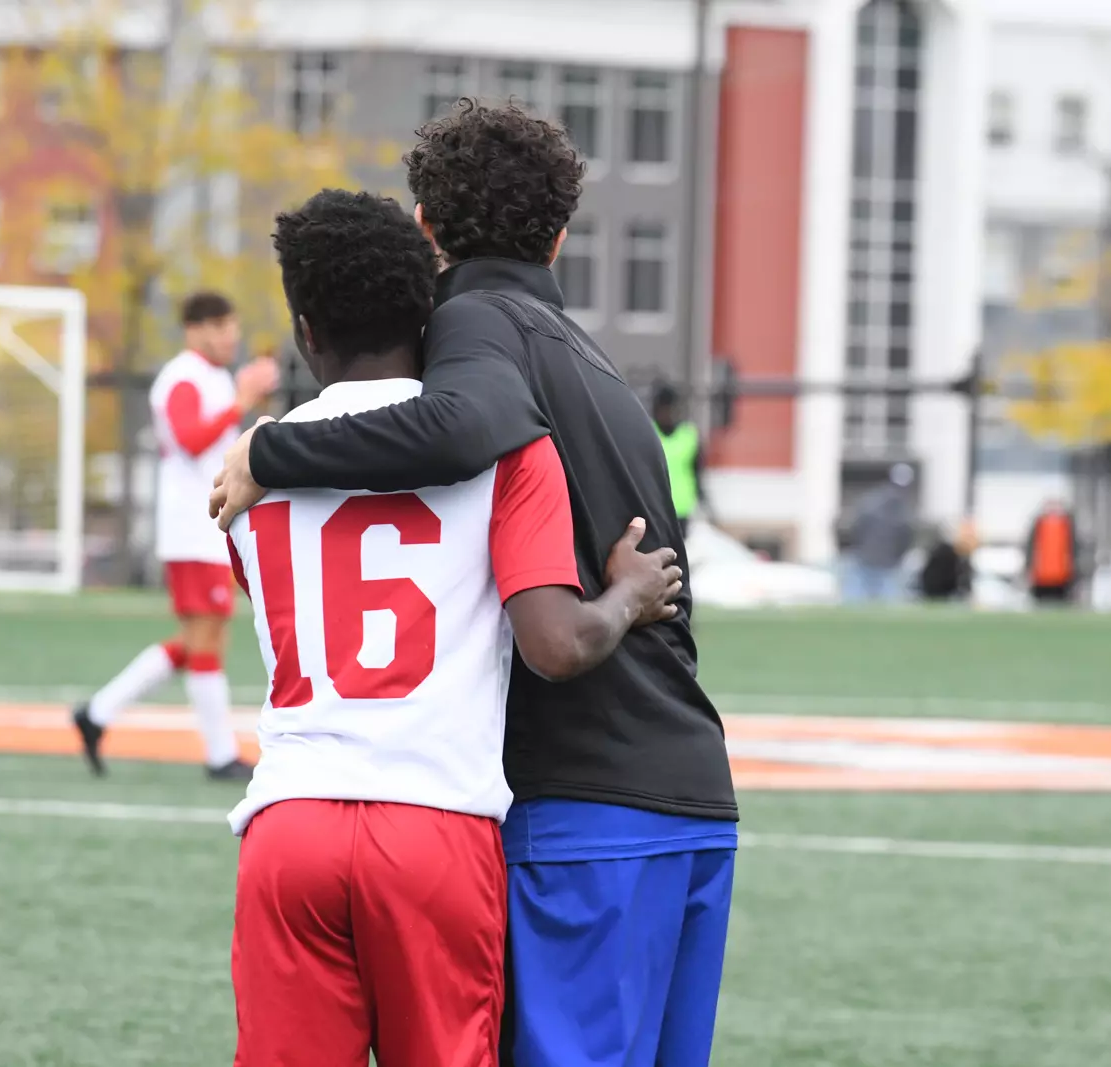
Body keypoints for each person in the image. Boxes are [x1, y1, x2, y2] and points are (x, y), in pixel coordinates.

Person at [209, 102, 738, 1067]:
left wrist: (270, 449)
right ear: (564, 235)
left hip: (561, 804)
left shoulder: (474, 345)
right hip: (682, 792)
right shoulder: (592, 370)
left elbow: (467, 426)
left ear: (426, 231)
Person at [71, 291, 276, 780]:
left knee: (199, 638)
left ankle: (98, 713)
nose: (232, 337)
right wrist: (241, 402)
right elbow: (191, 439)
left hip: (205, 526)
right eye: (223, 327)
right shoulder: (182, 376)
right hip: (190, 528)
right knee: (206, 638)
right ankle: (219, 753)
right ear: (197, 328)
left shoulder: (211, 377)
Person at [842, 463, 916, 603]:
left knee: (855, 607)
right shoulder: (902, 509)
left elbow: (855, 528)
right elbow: (906, 537)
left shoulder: (870, 501)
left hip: (868, 559)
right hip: (879, 563)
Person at [653, 382, 711, 526]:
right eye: (664, 409)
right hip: (655, 507)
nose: (667, 413)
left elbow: (697, 471)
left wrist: (703, 501)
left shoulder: (689, 435)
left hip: (681, 508)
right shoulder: (649, 432)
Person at [1025, 498, 1079, 604]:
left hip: (1062, 574)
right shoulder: (1039, 523)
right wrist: (1028, 566)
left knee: (1061, 603)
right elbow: (1030, 547)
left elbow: (1074, 548)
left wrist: (1074, 567)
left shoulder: (1067, 524)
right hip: (1041, 574)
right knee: (1041, 602)